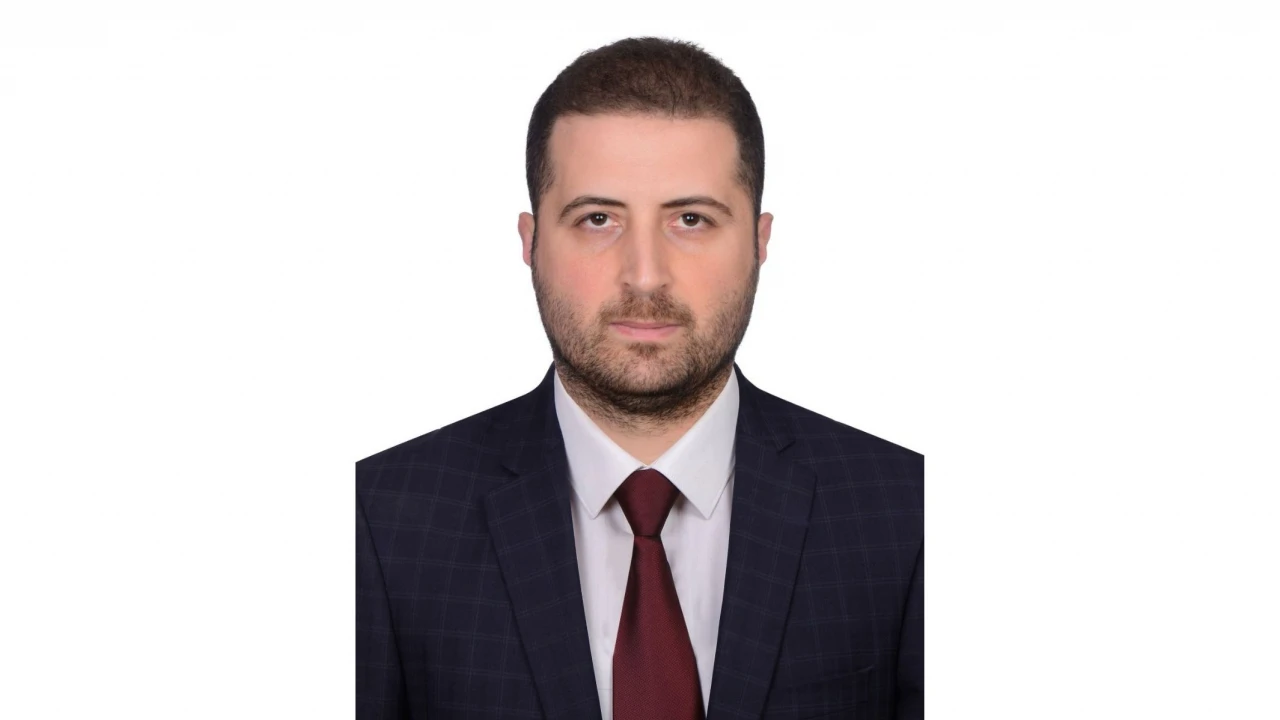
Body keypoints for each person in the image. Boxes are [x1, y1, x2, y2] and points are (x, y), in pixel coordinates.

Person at [357, 37, 923, 720]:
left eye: (691, 219)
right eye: (598, 219)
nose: (646, 276)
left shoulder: (909, 512)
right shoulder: (379, 520)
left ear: (759, 240)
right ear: (531, 242)